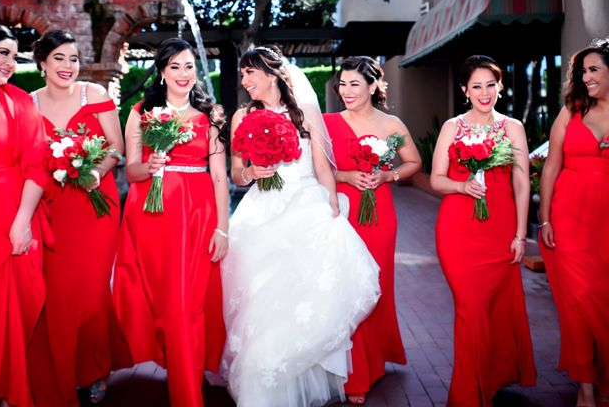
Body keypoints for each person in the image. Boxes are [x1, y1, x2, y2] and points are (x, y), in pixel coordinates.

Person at [220, 46, 380, 407]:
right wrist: (251, 172)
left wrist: (331, 203)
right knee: (261, 299)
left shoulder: (304, 113)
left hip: (305, 206)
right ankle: (260, 382)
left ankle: (300, 376)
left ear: (273, 74)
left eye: (250, 73)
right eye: (243, 74)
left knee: (304, 297)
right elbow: (235, 171)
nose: (245, 81)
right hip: (262, 212)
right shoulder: (241, 116)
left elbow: (323, 168)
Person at [112, 38, 228, 407]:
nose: (184, 73)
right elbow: (130, 171)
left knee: (187, 304)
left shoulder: (210, 116)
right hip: (150, 217)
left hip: (195, 217)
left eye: (190, 65)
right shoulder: (139, 112)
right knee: (160, 301)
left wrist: (222, 228)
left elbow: (220, 177)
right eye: (175, 66)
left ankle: (187, 393)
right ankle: (173, 365)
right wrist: (149, 166)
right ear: (161, 71)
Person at [26, 30, 129, 406]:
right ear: (42, 63)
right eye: (59, 58)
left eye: (73, 59)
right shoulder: (29, 104)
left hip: (94, 205)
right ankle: (59, 372)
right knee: (57, 296)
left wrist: (95, 172)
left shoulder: (96, 95)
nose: (68, 66)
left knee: (91, 295)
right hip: (51, 209)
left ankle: (95, 368)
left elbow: (115, 148)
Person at [430, 55, 536, 406]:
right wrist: (462, 187)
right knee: (470, 307)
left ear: (500, 86)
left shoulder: (513, 127)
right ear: (465, 90)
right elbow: (436, 179)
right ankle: (469, 395)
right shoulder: (451, 127)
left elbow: (522, 185)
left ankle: (487, 380)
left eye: (491, 84)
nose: (484, 92)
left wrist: (521, 235)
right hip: (458, 232)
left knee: (495, 311)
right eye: (476, 85)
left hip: (501, 230)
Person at [323, 56, 421, 404]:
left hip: (379, 213)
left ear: (374, 86)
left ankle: (372, 361)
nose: (346, 91)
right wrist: (346, 176)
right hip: (341, 211)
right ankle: (351, 371)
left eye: (355, 84)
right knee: (346, 286)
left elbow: (414, 162)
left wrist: (386, 175)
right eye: (343, 84)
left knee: (374, 285)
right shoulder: (327, 122)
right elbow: (316, 169)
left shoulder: (391, 123)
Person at [0, 23, 48, 407]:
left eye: (15, 57)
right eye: (3, 52)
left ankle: (1, 390)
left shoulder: (20, 102)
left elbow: (37, 168)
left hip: (7, 218)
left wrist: (22, 222)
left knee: (8, 312)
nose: (10, 63)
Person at [539, 38, 609, 407]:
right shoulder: (571, 111)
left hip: (606, 224)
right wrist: (545, 216)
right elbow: (551, 166)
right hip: (569, 218)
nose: (586, 77)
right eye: (583, 71)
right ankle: (585, 385)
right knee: (577, 301)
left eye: (594, 69)